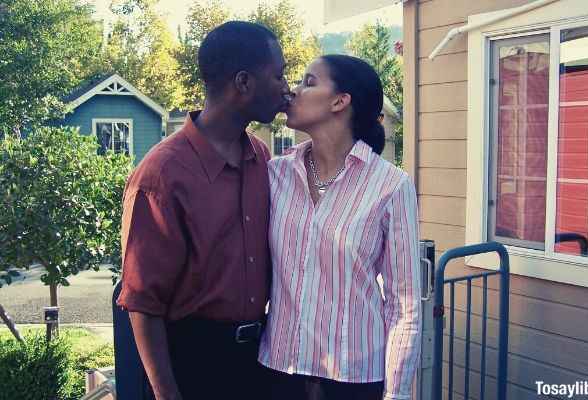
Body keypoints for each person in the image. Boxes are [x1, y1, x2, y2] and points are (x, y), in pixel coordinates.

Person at [116, 21, 290, 400]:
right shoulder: (161, 175)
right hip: (193, 363)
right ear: (243, 82)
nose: (286, 88)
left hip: (258, 359)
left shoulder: (259, 156)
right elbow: (142, 302)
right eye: (278, 75)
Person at [259, 55, 422, 400]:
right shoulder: (275, 175)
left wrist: (397, 394)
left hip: (355, 380)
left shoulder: (390, 186)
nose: (292, 91)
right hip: (279, 372)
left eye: (309, 81)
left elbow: (403, 306)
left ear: (340, 101)